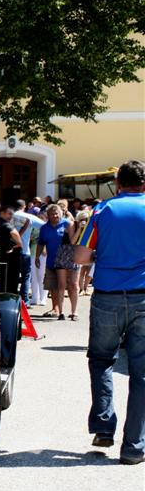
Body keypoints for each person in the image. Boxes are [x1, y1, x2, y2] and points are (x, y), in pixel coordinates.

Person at [74, 159, 145, 465]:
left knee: (102, 359)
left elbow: (80, 256)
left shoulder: (102, 211)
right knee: (141, 374)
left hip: (107, 295)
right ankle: (134, 448)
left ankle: (103, 426)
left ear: (118, 183)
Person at [36, 204, 79, 319]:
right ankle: (57, 309)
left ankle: (73, 311)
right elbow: (41, 243)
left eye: (57, 213)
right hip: (51, 261)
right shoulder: (44, 228)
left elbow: (73, 241)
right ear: (48, 216)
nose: (55, 215)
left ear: (62, 213)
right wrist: (37, 257)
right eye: (52, 214)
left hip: (68, 260)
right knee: (54, 286)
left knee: (72, 285)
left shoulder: (68, 224)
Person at [10, 200, 43, 303]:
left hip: (11, 250)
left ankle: (11, 297)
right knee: (25, 276)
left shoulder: (9, 216)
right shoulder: (29, 217)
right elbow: (44, 226)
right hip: (25, 250)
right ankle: (24, 300)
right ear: (24, 206)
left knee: (12, 275)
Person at [0, 204, 24, 294]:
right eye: (9, 214)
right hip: (7, 258)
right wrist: (19, 243)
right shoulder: (5, 224)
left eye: (12, 214)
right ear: (2, 213)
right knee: (7, 280)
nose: (11, 216)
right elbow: (14, 233)